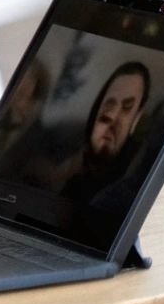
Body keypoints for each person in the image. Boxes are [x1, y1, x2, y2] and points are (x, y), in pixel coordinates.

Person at [60, 62, 152, 205]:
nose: (112, 117)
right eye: (109, 105)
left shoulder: (131, 191)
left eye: (127, 108)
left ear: (136, 119)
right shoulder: (64, 166)